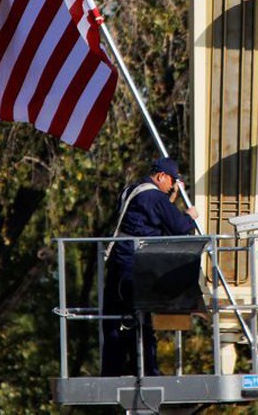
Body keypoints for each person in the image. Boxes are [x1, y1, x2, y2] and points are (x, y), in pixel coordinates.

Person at [101, 157, 199, 377]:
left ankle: (111, 371)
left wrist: (171, 199)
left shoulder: (132, 190)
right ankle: (148, 371)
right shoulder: (153, 195)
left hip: (119, 260)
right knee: (141, 321)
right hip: (134, 265)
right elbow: (179, 227)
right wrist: (190, 216)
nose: (171, 187)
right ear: (162, 176)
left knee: (114, 319)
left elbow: (150, 218)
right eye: (171, 182)